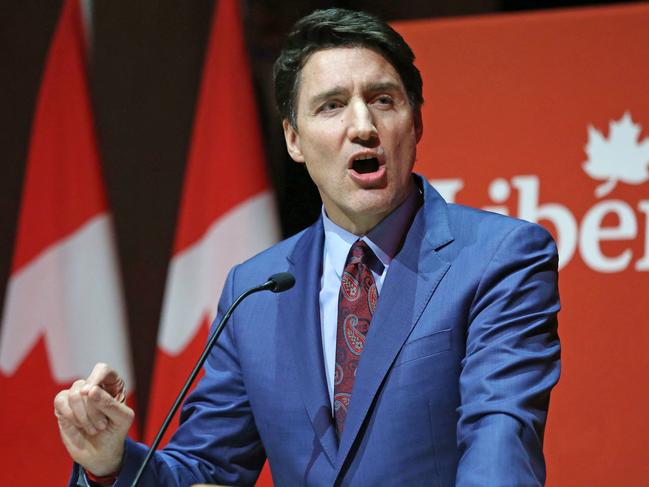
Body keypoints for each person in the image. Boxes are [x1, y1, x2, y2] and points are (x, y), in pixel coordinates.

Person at [55, 8, 560, 486]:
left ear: (417, 122)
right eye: (332, 106)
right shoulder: (255, 290)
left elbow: (500, 443)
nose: (364, 126)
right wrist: (111, 462)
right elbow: (207, 471)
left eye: (384, 100)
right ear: (294, 140)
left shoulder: (500, 257)